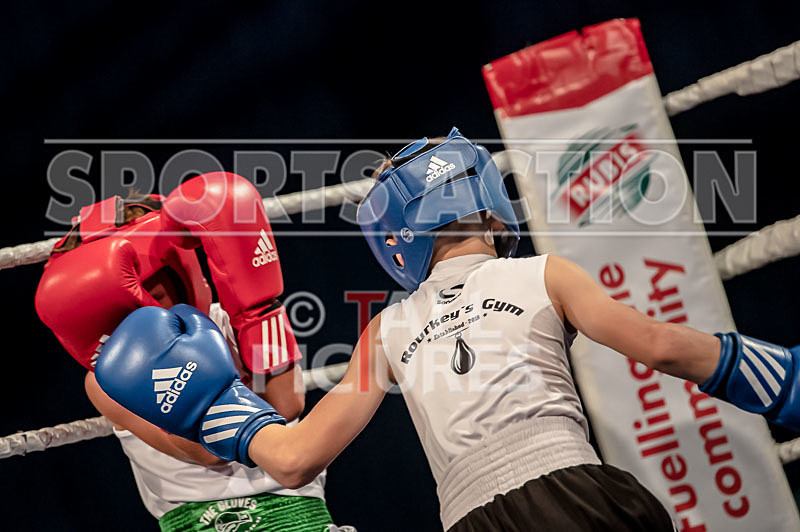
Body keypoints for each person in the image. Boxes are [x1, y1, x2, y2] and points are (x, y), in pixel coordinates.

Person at [95, 130, 800, 531]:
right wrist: (788, 381)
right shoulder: (546, 273)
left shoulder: (386, 329)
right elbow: (664, 348)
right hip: (580, 496)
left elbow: (292, 459)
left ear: (393, 239)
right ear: (490, 207)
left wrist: (211, 404)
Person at [36, 173, 336, 532]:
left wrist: (259, 311)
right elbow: (207, 452)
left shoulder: (233, 320)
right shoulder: (106, 379)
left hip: (297, 510)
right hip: (197, 521)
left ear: (177, 263)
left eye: (148, 278)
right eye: (131, 284)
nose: (143, 295)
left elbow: (287, 405)